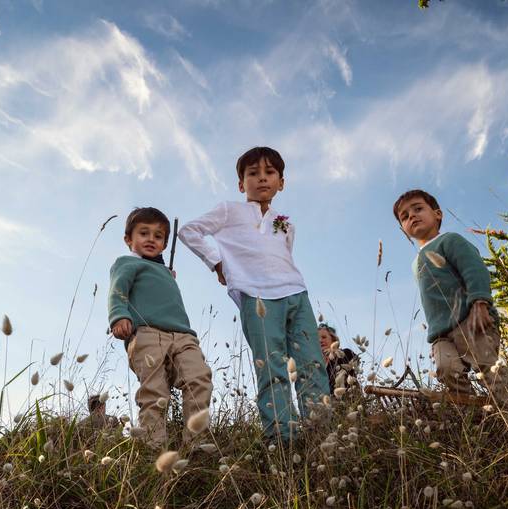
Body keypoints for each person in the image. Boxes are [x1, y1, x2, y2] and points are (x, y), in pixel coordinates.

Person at [179, 147, 330, 442]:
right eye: (253, 173)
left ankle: (321, 435)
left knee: (312, 364)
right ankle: (283, 440)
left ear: (281, 182)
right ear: (241, 184)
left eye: (269, 172)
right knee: (271, 367)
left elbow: (283, 255)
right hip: (256, 297)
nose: (262, 179)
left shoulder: (284, 222)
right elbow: (189, 231)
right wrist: (217, 262)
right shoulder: (228, 210)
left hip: (296, 294)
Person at [108, 207, 213, 449]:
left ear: (165, 244)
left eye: (158, 236)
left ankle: (196, 445)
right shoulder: (127, 262)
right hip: (147, 333)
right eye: (144, 233)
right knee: (155, 393)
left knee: (199, 378)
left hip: (183, 335)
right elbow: (117, 288)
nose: (151, 239)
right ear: (128, 239)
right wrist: (118, 315)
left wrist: (165, 275)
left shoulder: (165, 271)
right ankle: (153, 450)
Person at [393, 189, 500, 395]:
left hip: (471, 319)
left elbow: (474, 269)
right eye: (405, 217)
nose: (412, 216)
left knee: (488, 369)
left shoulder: (450, 240)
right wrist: (434, 337)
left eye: (417, 209)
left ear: (437, 214)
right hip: (441, 334)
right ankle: (474, 411)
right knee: (446, 370)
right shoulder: (415, 263)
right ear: (404, 229)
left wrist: (480, 302)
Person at [317, 323, 358, 392]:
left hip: (349, 398)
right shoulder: (317, 366)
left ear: (333, 340)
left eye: (324, 337)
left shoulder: (344, 353)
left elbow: (355, 360)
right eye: (317, 339)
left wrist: (334, 352)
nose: (320, 340)